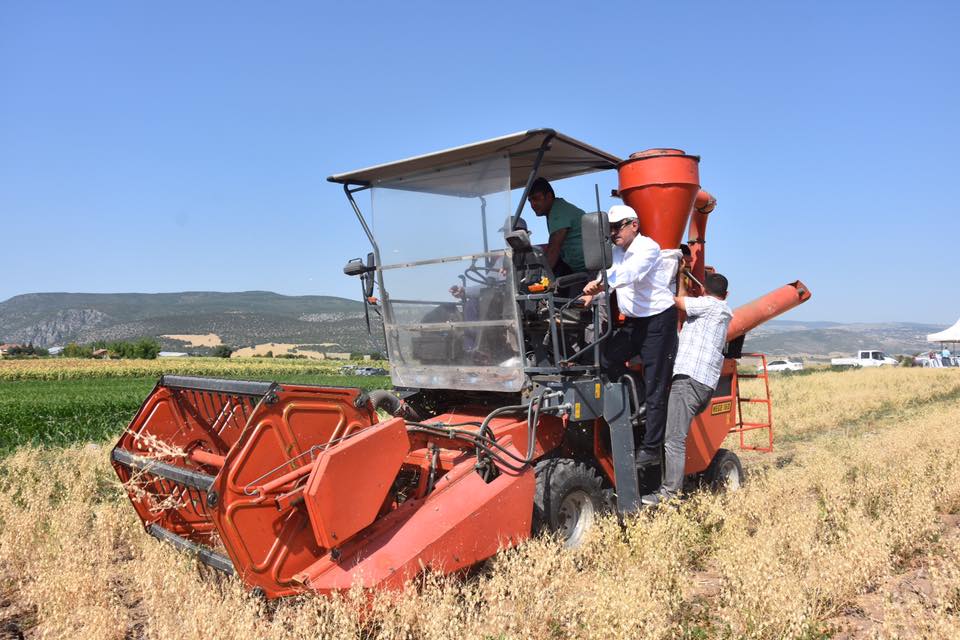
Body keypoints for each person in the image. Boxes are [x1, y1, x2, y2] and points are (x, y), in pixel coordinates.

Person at [582, 204, 678, 466]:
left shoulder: (648, 248)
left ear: (634, 224)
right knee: (606, 358)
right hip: (636, 324)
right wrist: (591, 295)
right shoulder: (615, 252)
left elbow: (627, 275)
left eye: (617, 227)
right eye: (609, 229)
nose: (613, 233)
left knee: (658, 386)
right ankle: (637, 398)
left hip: (659, 322)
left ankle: (651, 449)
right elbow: (610, 284)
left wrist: (601, 283)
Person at [642, 271, 733, 506]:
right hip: (704, 384)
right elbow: (685, 305)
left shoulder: (708, 306)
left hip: (688, 381)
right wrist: (682, 276)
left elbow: (677, 303)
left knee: (674, 439)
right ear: (727, 294)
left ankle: (670, 494)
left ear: (703, 291)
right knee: (675, 437)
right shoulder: (720, 311)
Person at [526, 177, 587, 277]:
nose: (532, 204)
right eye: (530, 200)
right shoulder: (556, 209)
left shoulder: (558, 211)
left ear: (549, 196)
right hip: (577, 269)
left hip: (590, 272)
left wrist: (539, 277)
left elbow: (554, 249)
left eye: (536, 198)